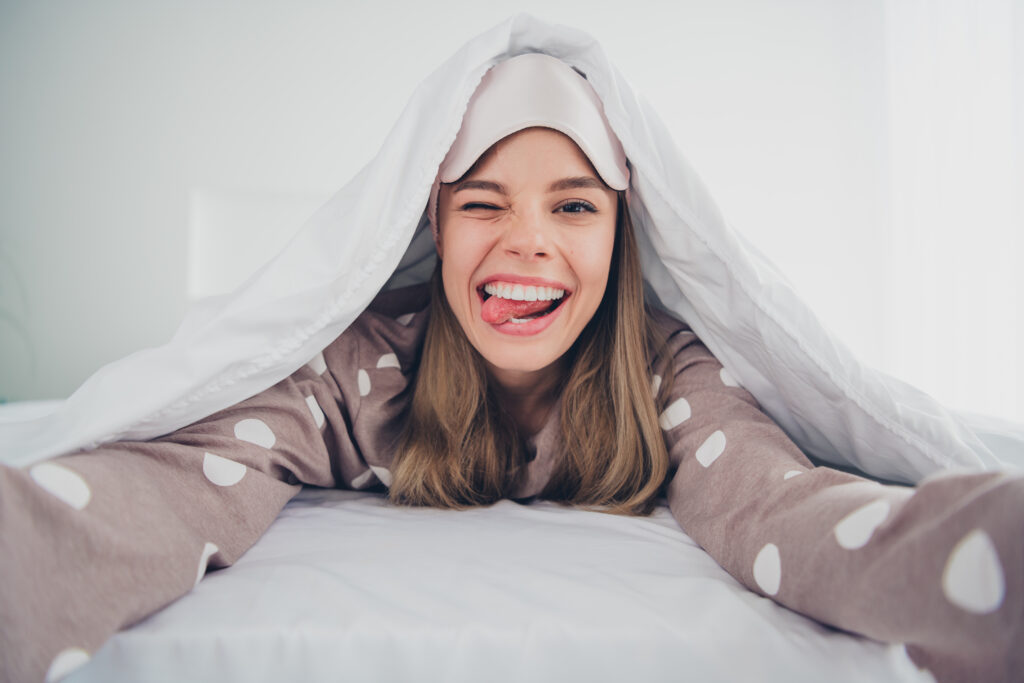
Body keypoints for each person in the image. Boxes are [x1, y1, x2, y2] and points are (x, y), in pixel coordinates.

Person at [1, 41, 1020, 683]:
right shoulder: (357, 370)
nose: (527, 241)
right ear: (435, 226)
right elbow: (175, 487)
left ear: (620, 232)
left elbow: (782, 510)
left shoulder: (669, 375)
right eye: (483, 203)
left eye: (572, 206)